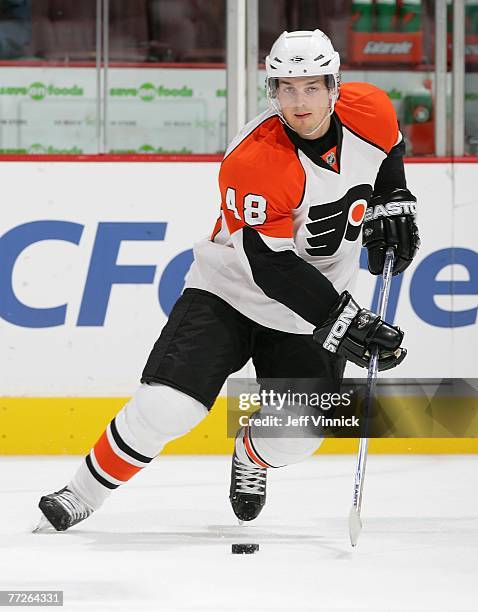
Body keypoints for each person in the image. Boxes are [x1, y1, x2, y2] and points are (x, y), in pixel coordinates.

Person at [35, 29, 419, 532]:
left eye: (311, 87)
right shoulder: (256, 157)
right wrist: (343, 321)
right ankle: (81, 492)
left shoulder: (371, 110)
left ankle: (250, 456)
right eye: (286, 87)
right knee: (166, 407)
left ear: (335, 86)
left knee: (297, 435)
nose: (299, 101)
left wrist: (394, 201)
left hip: (311, 309)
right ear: (272, 91)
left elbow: (389, 154)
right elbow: (271, 266)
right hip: (230, 291)